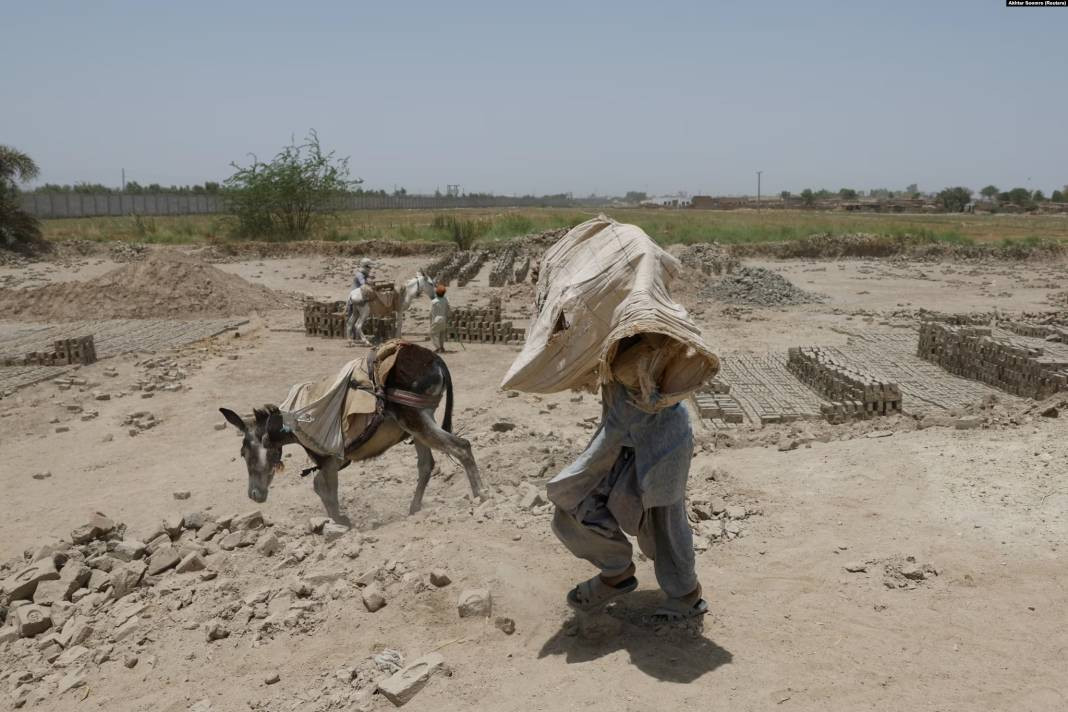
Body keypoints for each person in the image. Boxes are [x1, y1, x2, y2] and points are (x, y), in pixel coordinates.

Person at [547, 333, 708, 623]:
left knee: (663, 523)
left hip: (663, 448)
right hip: (627, 447)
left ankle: (686, 594)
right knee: (577, 505)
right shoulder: (611, 344)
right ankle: (616, 572)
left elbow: (618, 424)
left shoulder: (643, 351)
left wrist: (576, 476)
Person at [429, 283, 450, 353]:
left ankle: (438, 348)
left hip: (436, 320)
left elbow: (431, 313)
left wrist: (430, 321)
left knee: (432, 333)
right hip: (444, 319)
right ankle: (442, 347)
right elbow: (448, 310)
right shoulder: (446, 300)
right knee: (442, 334)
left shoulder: (434, 302)